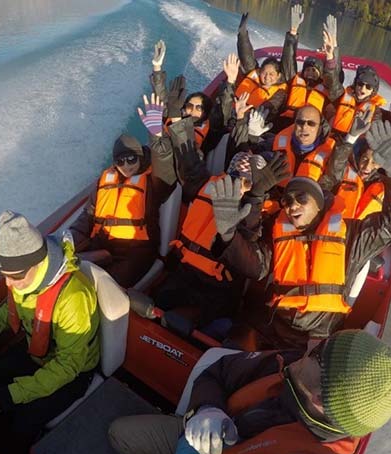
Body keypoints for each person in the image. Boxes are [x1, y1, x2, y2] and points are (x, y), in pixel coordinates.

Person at [209, 120, 391, 349]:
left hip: (317, 338)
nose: (292, 206)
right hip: (272, 325)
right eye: (287, 201)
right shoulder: (281, 234)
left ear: (319, 205)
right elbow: (255, 266)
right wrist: (228, 235)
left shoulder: (354, 237)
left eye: (301, 199)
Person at [108, 329, 391, 454]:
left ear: (320, 397)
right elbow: (220, 371)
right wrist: (207, 409)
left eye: (319, 353)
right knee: (121, 435)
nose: (313, 342)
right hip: (205, 433)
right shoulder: (292, 364)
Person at [0, 210, 100, 454]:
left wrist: (13, 394)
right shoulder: (24, 279)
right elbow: (10, 308)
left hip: (72, 372)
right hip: (36, 352)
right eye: (4, 276)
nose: (9, 284)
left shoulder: (74, 298)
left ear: (37, 262)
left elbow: (68, 366)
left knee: (21, 422)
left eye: (15, 276)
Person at [148, 141, 289, 336]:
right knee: (160, 300)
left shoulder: (264, 213)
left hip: (218, 288)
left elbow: (255, 265)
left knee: (202, 323)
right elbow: (189, 167)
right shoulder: (210, 187)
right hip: (185, 271)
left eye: (247, 182)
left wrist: (252, 202)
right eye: (234, 177)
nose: (238, 185)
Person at [69, 132, 172, 287]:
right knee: (73, 274)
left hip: (137, 250)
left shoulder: (153, 181)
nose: (126, 165)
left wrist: (157, 137)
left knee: (108, 284)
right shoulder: (105, 180)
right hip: (102, 243)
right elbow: (88, 215)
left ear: (140, 156)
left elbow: (166, 174)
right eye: (120, 161)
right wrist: (70, 238)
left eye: (131, 159)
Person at [149, 39, 231, 158]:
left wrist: (231, 81)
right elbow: (161, 99)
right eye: (189, 106)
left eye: (199, 108)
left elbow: (224, 111)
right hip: (159, 156)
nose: (192, 110)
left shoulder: (210, 131)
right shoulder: (175, 115)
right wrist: (157, 68)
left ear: (206, 112)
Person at [322, 14, 387, 136]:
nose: (363, 89)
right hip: (333, 137)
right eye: (360, 84)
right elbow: (332, 82)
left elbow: (375, 133)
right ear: (355, 83)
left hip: (353, 145)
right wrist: (331, 55)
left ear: (373, 90)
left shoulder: (375, 112)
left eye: (368, 87)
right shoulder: (342, 96)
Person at [277, 4, 333, 130]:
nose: (310, 73)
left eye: (314, 70)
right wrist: (293, 33)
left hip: (310, 127)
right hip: (287, 122)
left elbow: (334, 74)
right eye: (307, 69)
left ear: (321, 73)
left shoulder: (326, 87)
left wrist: (331, 53)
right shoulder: (295, 79)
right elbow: (288, 60)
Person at [234, 12, 288, 122]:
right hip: (234, 113)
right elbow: (246, 56)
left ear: (278, 76)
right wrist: (242, 34)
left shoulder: (279, 93)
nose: (267, 77)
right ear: (260, 72)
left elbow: (270, 109)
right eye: (264, 73)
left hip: (255, 123)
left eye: (271, 74)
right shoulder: (254, 75)